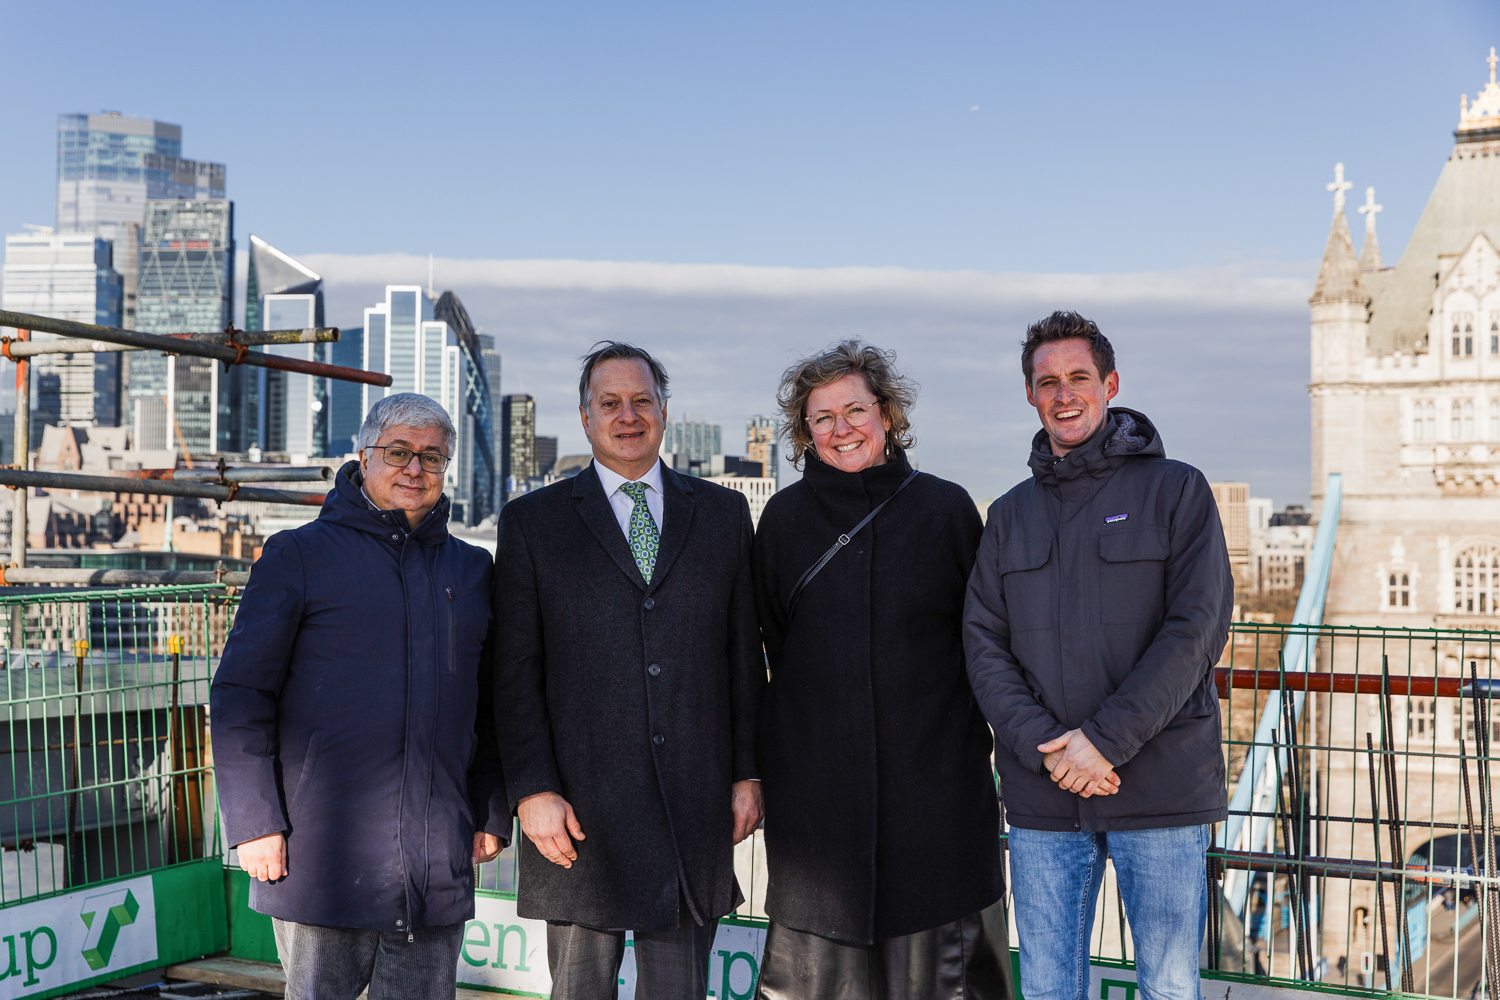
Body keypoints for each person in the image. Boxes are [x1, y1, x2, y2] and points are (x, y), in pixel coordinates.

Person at [964, 311, 1233, 1000]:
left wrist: (1101, 744)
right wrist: (1046, 747)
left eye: (1079, 377)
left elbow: (1196, 630)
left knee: (1169, 988)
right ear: (1029, 394)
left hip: (1161, 787)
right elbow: (983, 642)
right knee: (1050, 989)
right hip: (1043, 792)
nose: (1064, 394)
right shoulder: (1009, 514)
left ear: (1110, 383)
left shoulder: (1177, 490)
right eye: (1047, 382)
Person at [493, 341, 765, 999]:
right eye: (610, 403)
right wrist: (531, 791)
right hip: (579, 816)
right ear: (585, 418)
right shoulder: (534, 522)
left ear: (665, 411)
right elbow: (513, 671)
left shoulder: (724, 514)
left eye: (642, 401)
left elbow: (742, 658)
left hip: (691, 807)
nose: (628, 415)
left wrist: (748, 772)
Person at [211, 393, 506, 1000]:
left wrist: (490, 811)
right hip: (320, 854)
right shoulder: (299, 555)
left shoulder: (472, 570)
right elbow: (241, 694)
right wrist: (255, 824)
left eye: (432, 457)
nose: (415, 469)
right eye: (399, 452)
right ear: (365, 456)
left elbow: (491, 703)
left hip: (435, 855)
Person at [751, 341, 1011, 1000]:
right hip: (818, 820)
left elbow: (982, 641)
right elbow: (778, 647)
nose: (841, 430)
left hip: (938, 810)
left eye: (855, 410)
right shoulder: (782, 522)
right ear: (803, 433)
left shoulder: (946, 510)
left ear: (888, 415)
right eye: (822, 419)